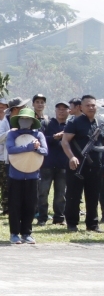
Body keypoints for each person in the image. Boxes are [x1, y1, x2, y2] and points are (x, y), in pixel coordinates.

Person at [59, 95, 102, 232]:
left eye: (93, 105)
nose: (91, 107)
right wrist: (71, 157)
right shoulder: (75, 122)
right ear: (81, 107)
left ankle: (92, 224)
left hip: (96, 166)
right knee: (73, 195)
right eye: (88, 105)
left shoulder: (100, 122)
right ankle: (72, 223)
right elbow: (65, 141)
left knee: (93, 196)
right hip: (77, 165)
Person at [5, 108, 47, 245]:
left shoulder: (38, 135)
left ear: (32, 122)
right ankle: (14, 233)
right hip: (15, 175)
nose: (25, 121)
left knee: (30, 205)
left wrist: (36, 148)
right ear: (18, 120)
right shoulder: (12, 134)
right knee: (15, 205)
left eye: (27, 119)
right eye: (22, 119)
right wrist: (27, 147)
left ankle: (27, 233)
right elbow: (11, 149)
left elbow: (45, 151)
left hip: (32, 175)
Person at [38, 100, 71, 226]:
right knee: (42, 192)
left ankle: (59, 218)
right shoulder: (47, 123)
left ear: (69, 111)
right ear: (55, 110)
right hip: (47, 164)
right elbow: (39, 139)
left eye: (64, 109)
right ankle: (42, 218)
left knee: (61, 194)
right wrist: (54, 138)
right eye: (59, 109)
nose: (61, 111)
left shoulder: (70, 125)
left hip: (63, 164)